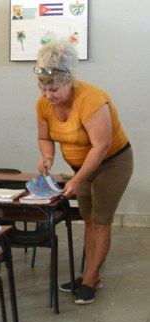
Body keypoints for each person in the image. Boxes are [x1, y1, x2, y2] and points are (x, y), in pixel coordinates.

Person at [34, 40, 133, 305]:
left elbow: (100, 147)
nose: (48, 95)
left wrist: (77, 179)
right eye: (43, 88)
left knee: (100, 220)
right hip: (82, 167)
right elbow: (45, 137)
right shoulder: (43, 104)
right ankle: (92, 274)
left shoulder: (91, 99)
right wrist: (47, 157)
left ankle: (89, 280)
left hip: (112, 163)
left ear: (69, 80)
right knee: (88, 219)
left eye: (53, 89)